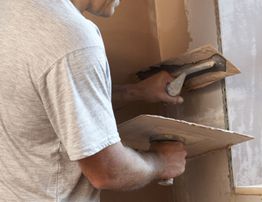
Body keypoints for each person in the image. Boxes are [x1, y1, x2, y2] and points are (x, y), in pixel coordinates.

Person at [0, 0, 187, 201]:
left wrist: (134, 92)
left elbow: (52, 102)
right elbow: (107, 171)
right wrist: (161, 162)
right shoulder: (72, 39)